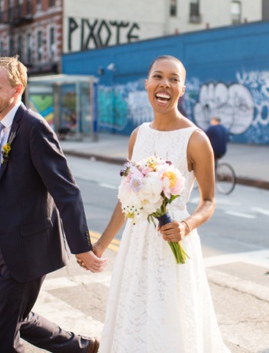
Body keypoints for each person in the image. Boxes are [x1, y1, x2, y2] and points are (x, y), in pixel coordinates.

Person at [91, 55, 230, 352]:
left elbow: (209, 201)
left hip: (172, 243)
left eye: (173, 79)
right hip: (136, 244)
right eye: (158, 76)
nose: (164, 83)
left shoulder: (196, 140)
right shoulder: (137, 135)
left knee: (171, 320)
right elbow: (127, 199)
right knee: (135, 316)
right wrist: (101, 245)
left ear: (182, 89)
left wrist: (186, 225)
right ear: (147, 85)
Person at [0, 56, 105, 353]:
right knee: (17, 316)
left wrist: (81, 246)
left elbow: (65, 190)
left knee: (2, 336)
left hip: (26, 249)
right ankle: (83, 347)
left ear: (17, 90)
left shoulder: (34, 128)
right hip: (2, 242)